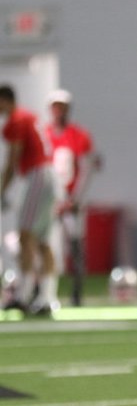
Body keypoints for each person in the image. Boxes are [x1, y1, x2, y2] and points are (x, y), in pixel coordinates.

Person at [0, 84, 58, 315]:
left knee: (25, 235)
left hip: (37, 176)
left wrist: (2, 190)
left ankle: (23, 296)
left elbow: (12, 161)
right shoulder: (28, 116)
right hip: (46, 175)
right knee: (42, 240)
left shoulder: (16, 120)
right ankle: (46, 297)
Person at [44, 89, 98, 308]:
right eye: (55, 106)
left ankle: (77, 294)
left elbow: (86, 168)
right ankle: (44, 292)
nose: (59, 110)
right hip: (49, 200)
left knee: (76, 246)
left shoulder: (79, 135)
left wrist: (76, 198)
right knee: (43, 245)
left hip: (71, 198)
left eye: (63, 106)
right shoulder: (44, 133)